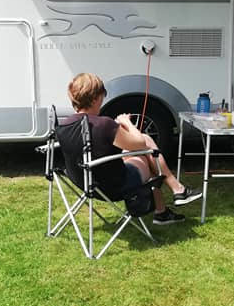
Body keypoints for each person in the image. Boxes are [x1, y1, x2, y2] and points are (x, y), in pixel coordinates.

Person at [63, 72, 201, 225]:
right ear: (95, 98)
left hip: (86, 183)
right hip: (116, 185)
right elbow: (140, 143)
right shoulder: (104, 124)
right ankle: (175, 192)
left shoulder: (64, 126)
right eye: (103, 96)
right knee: (148, 150)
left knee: (139, 152)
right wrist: (126, 123)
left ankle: (166, 207)